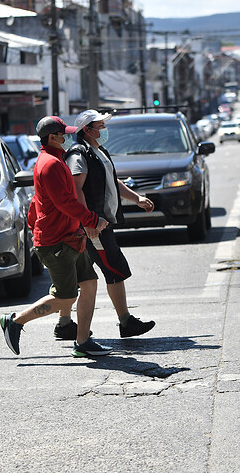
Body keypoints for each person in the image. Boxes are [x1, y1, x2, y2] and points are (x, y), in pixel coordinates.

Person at [0, 115, 113, 358]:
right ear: (53, 137)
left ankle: (83, 342)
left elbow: (37, 201)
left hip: (69, 237)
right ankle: (16, 321)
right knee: (66, 297)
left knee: (90, 283)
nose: (67, 137)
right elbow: (65, 202)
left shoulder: (53, 160)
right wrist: (92, 220)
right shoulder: (50, 164)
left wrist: (36, 224)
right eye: (63, 134)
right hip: (57, 241)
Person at [53, 109, 156, 341]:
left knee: (84, 275)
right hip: (94, 226)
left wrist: (136, 198)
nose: (104, 130)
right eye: (100, 126)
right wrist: (87, 220)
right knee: (113, 270)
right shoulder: (79, 154)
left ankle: (65, 323)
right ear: (86, 131)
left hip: (100, 223)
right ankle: (125, 321)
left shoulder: (98, 152)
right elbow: (76, 188)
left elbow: (112, 180)